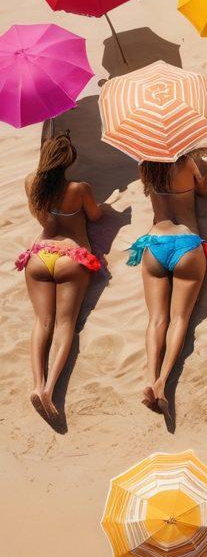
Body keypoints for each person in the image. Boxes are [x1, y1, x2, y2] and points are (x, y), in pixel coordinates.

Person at [16, 133, 104, 417]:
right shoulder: (78, 189)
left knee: (42, 321)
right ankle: (50, 388)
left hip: (40, 255)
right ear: (68, 161)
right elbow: (95, 216)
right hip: (70, 255)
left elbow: (40, 218)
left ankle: (36, 384)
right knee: (65, 324)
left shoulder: (31, 183)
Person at [127, 148, 207, 415]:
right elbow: (204, 190)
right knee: (179, 319)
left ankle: (150, 376)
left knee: (156, 319)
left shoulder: (146, 165)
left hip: (155, 242)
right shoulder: (186, 163)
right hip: (186, 242)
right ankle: (163, 381)